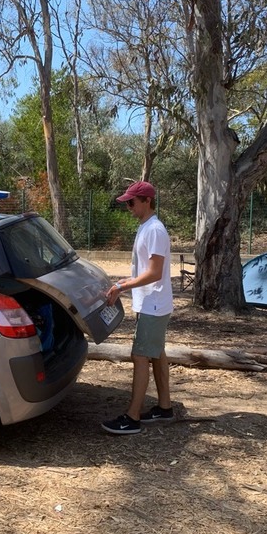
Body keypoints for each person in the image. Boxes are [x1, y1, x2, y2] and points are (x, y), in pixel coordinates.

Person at [102, 181, 175, 435]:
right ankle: (165, 408)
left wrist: (122, 286)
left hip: (154, 303)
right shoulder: (147, 228)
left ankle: (132, 417)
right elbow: (145, 270)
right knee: (156, 353)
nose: (128, 207)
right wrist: (123, 284)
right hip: (152, 302)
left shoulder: (155, 230)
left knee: (140, 355)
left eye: (131, 202)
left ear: (146, 200)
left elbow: (154, 273)